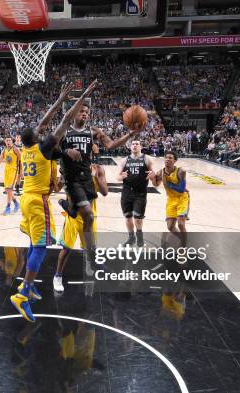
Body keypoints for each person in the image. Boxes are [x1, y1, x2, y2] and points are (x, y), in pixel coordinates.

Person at [10, 81, 90, 323]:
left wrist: (59, 98)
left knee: (35, 245)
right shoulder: (43, 147)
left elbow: (44, 122)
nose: (41, 130)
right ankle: (22, 294)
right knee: (43, 247)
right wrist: (81, 97)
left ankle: (29, 285)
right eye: (37, 131)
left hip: (27, 198)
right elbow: (65, 121)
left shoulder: (28, 149)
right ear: (35, 138)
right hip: (36, 202)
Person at [58, 98, 143, 267]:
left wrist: (130, 134)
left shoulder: (93, 132)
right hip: (71, 178)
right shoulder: (65, 130)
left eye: (87, 112)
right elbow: (51, 148)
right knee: (88, 215)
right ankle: (91, 258)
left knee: (88, 218)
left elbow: (111, 145)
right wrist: (66, 151)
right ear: (74, 113)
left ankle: (70, 208)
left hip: (86, 179)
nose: (84, 114)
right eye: (81, 111)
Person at [54, 163, 108, 293]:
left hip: (89, 217)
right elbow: (56, 188)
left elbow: (105, 192)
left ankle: (90, 263)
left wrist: (95, 177)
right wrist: (59, 176)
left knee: (91, 248)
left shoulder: (98, 169)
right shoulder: (68, 168)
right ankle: (57, 276)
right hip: (73, 218)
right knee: (66, 249)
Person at [117, 140, 156, 247]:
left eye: (137, 144)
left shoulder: (147, 158)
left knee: (138, 218)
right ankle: (131, 238)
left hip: (140, 192)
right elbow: (118, 177)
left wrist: (153, 175)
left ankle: (139, 236)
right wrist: (122, 177)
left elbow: (153, 175)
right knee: (128, 217)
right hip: (126, 192)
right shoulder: (124, 160)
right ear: (130, 147)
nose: (134, 145)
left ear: (141, 146)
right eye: (133, 144)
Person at [153, 152, 190, 237]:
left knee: (181, 224)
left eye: (170, 158)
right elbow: (156, 185)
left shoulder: (181, 171)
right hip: (171, 199)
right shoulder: (160, 173)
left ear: (175, 161)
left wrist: (168, 184)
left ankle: (183, 246)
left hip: (182, 199)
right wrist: (152, 178)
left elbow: (181, 190)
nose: (167, 159)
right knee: (170, 227)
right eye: (166, 157)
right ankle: (183, 238)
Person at [0, 136, 22, 215]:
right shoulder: (4, 150)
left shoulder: (16, 149)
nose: (8, 142)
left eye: (9, 140)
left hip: (14, 171)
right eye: (7, 140)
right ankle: (16, 203)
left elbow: (22, 160)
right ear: (5, 142)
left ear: (12, 141)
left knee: (9, 189)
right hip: (7, 171)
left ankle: (8, 207)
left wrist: (21, 172)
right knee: (7, 190)